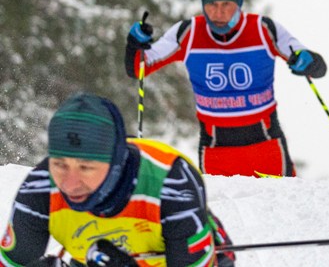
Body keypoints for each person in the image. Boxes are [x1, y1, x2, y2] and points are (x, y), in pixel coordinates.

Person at [124, 0, 327, 177]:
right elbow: (139, 67)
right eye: (211, 4)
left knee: (282, 207)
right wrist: (134, 44)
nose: (218, 12)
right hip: (216, 150)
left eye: (226, 5)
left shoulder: (264, 29)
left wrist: (307, 62)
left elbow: (317, 67)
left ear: (238, 4)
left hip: (266, 144)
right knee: (220, 210)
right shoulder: (188, 32)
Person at [0, 92, 235, 267]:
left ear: (115, 162)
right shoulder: (39, 188)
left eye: (86, 167)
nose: (69, 184)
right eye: (60, 165)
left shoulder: (174, 184)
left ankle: (204, 227)